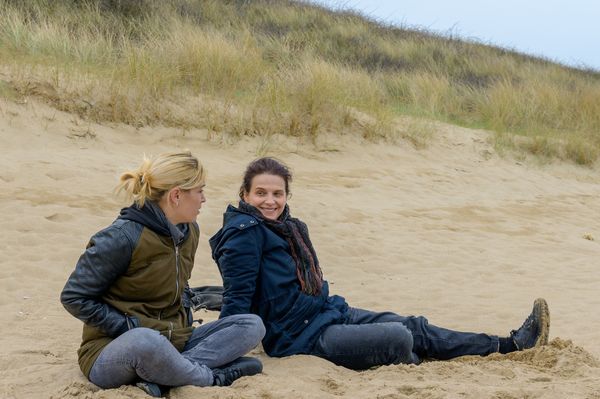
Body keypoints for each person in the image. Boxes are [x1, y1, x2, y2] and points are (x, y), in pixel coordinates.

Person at [209, 157, 550, 370]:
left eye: (277, 194)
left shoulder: (290, 229)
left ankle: (510, 345)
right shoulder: (244, 235)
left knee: (415, 327)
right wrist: (222, 356)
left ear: (287, 197)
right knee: (399, 339)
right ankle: (418, 361)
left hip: (328, 311)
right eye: (261, 193)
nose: (270, 201)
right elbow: (237, 301)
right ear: (245, 195)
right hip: (298, 338)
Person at [60, 151, 266, 398]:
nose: (204, 199)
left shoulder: (190, 231)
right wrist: (127, 326)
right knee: (146, 341)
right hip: (114, 349)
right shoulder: (120, 237)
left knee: (251, 325)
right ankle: (210, 377)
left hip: (175, 340)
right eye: (199, 191)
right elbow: (73, 297)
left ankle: (165, 376)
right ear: (176, 195)